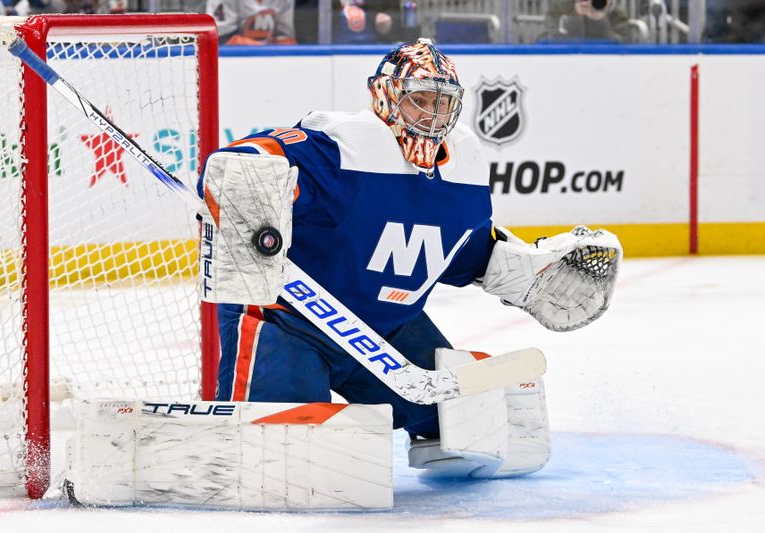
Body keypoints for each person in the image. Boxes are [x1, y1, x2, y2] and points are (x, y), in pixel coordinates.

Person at [198, 39, 621, 478]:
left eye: (442, 102)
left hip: (389, 331)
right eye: (418, 100)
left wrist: (524, 275)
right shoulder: (343, 145)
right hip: (287, 320)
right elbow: (241, 160)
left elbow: (463, 253)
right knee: (282, 458)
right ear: (385, 96)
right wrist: (246, 188)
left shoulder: (465, 164)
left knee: (472, 427)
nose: (432, 114)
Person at [206, 0, 297, 45]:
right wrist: (261, 50)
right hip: (229, 64)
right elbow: (216, 41)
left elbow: (285, 38)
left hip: (266, 62)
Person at [540, 0, 635, 43]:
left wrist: (600, 19)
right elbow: (551, 39)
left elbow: (625, 42)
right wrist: (576, 18)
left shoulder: (615, 13)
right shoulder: (560, 9)